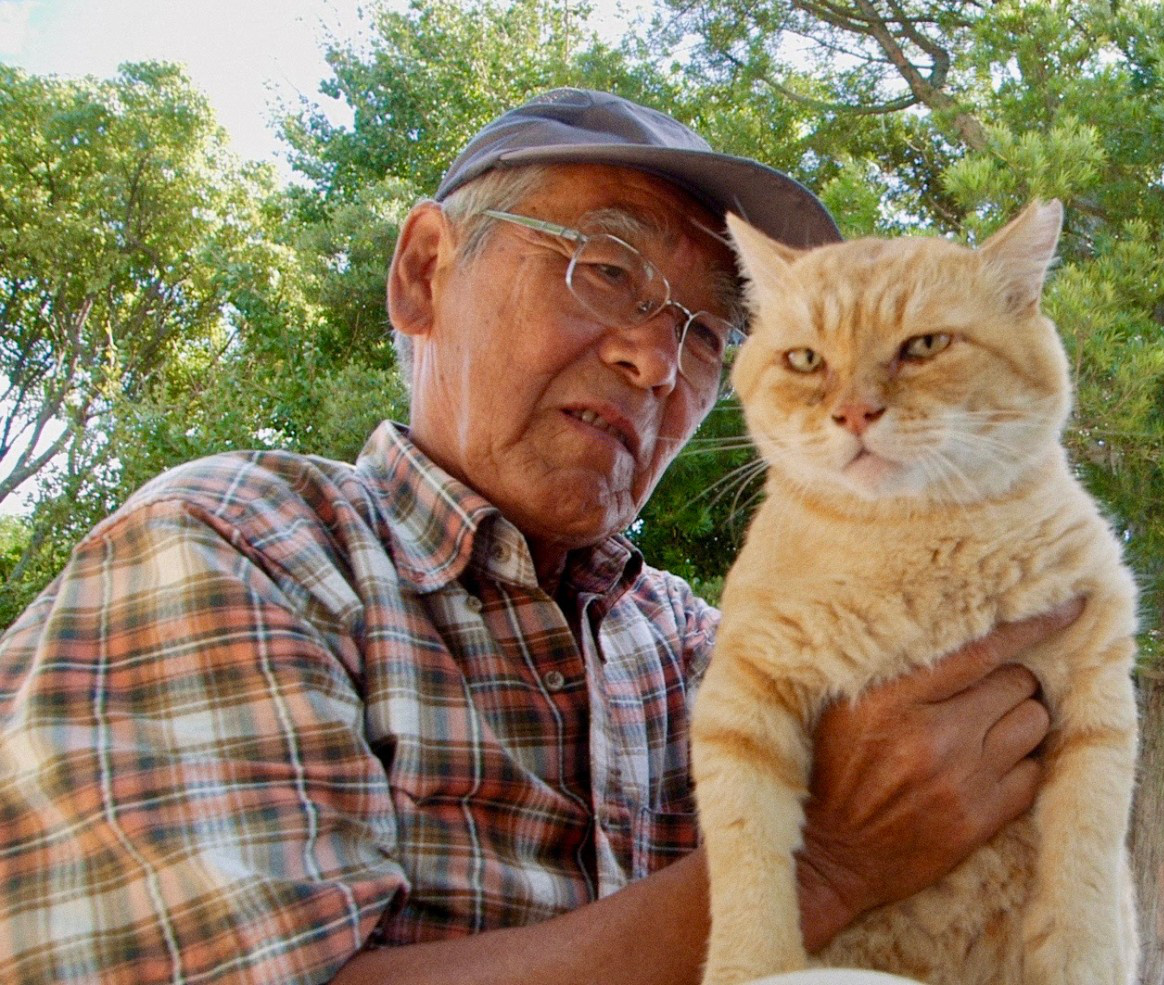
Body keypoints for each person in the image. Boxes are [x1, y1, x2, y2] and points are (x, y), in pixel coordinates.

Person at [0, 89, 1068, 984]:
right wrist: (816, 861)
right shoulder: (239, 547)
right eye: (606, 269)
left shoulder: (701, 646)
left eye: (710, 330)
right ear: (424, 271)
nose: (657, 361)